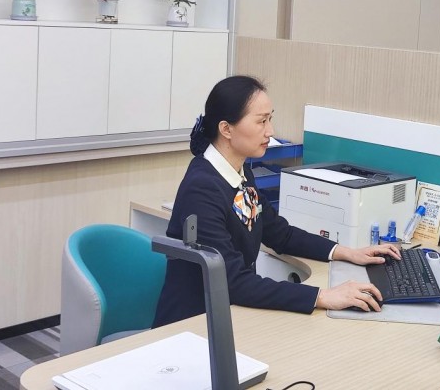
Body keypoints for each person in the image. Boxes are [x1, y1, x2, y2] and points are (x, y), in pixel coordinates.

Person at [153, 75, 400, 327]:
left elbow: (281, 234)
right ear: (226, 129)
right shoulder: (202, 189)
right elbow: (233, 282)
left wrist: (348, 253)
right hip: (192, 326)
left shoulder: (240, 172)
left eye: (270, 119)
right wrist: (322, 296)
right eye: (261, 121)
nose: (270, 131)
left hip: (229, 314)